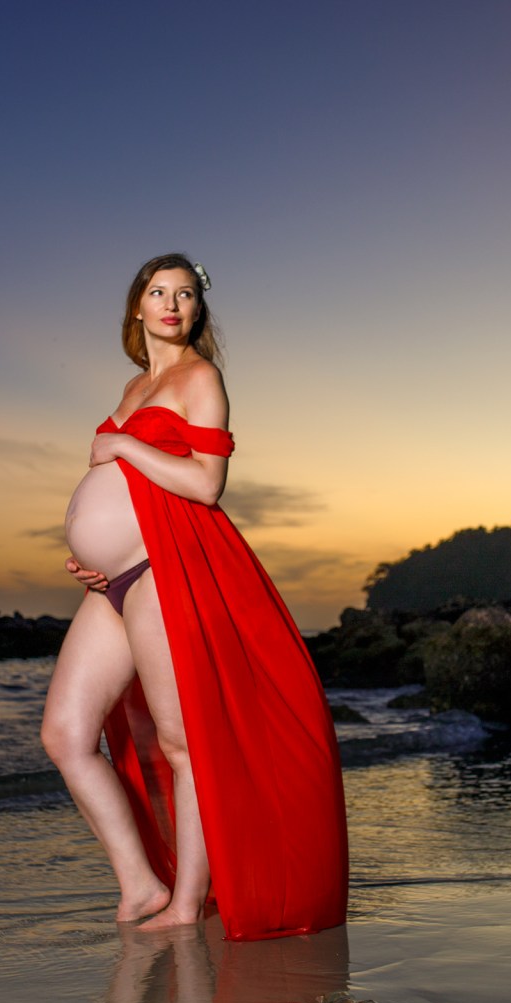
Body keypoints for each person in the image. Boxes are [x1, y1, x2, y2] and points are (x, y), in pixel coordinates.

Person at [41, 253, 347, 941]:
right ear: (138, 306)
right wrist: (87, 553)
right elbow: (119, 489)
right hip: (113, 579)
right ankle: (140, 885)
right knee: (64, 734)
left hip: (165, 567)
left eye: (185, 294)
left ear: (197, 310)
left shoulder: (200, 377)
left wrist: (123, 447)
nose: (172, 305)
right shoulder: (132, 386)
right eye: (159, 292)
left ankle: (186, 902)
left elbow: (206, 484)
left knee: (182, 742)